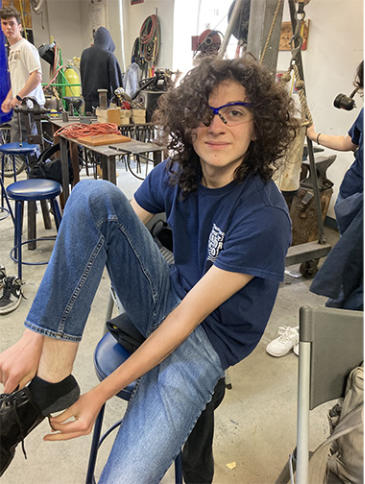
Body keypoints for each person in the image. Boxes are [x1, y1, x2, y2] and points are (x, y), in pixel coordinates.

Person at [0, 56, 294, 481]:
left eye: (234, 113)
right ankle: (49, 384)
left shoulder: (263, 214)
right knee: (92, 195)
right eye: (205, 113)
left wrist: (102, 392)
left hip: (206, 342)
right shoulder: (178, 171)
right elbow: (99, 229)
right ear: (187, 121)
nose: (217, 126)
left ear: (258, 125)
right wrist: (35, 338)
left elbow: (186, 320)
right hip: (163, 297)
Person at [305, 61, 363, 310]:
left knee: (353, 256)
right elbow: (350, 141)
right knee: (351, 250)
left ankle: (345, 306)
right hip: (354, 187)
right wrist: (315, 135)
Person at [0, 7, 44, 142]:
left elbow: (36, 76)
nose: (8, 27)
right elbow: (19, 80)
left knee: (22, 150)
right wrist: (9, 98)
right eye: (5, 23)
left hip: (29, 108)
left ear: (19, 26)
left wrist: (18, 97)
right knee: (23, 150)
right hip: (21, 107)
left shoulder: (26, 47)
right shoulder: (13, 50)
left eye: (12, 23)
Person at [80, 26, 122, 114]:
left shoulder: (85, 54)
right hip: (103, 104)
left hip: (87, 103)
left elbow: (82, 75)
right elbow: (116, 85)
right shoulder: (109, 56)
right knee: (102, 127)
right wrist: (120, 102)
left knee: (89, 126)